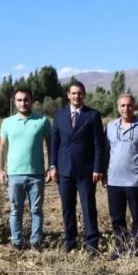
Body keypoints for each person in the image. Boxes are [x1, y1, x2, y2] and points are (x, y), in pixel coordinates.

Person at [47, 80, 107, 253]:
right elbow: (55, 143)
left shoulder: (93, 115)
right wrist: (53, 166)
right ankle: (70, 240)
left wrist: (98, 168)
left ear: (84, 95)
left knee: (88, 207)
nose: (76, 96)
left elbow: (98, 144)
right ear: (68, 95)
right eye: (73, 93)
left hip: (86, 171)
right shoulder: (59, 116)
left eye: (80, 93)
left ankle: (92, 242)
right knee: (67, 207)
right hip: (64, 170)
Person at [0, 88, 51, 251]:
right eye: (19, 100)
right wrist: (0, 169)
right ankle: (17, 242)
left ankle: (35, 242)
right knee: (15, 210)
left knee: (36, 210)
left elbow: (50, 146)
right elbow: (2, 147)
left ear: (32, 100)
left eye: (26, 99)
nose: (23, 103)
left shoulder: (42, 121)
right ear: (15, 102)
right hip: (14, 175)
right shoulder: (7, 122)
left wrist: (50, 167)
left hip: (36, 175)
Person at [104, 94, 138, 259]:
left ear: (134, 106)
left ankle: (136, 246)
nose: (126, 109)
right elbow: (106, 151)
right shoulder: (110, 126)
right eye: (123, 105)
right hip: (114, 180)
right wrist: (104, 172)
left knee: (137, 215)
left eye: (129, 105)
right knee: (116, 216)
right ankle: (120, 245)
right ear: (118, 107)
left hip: (134, 180)